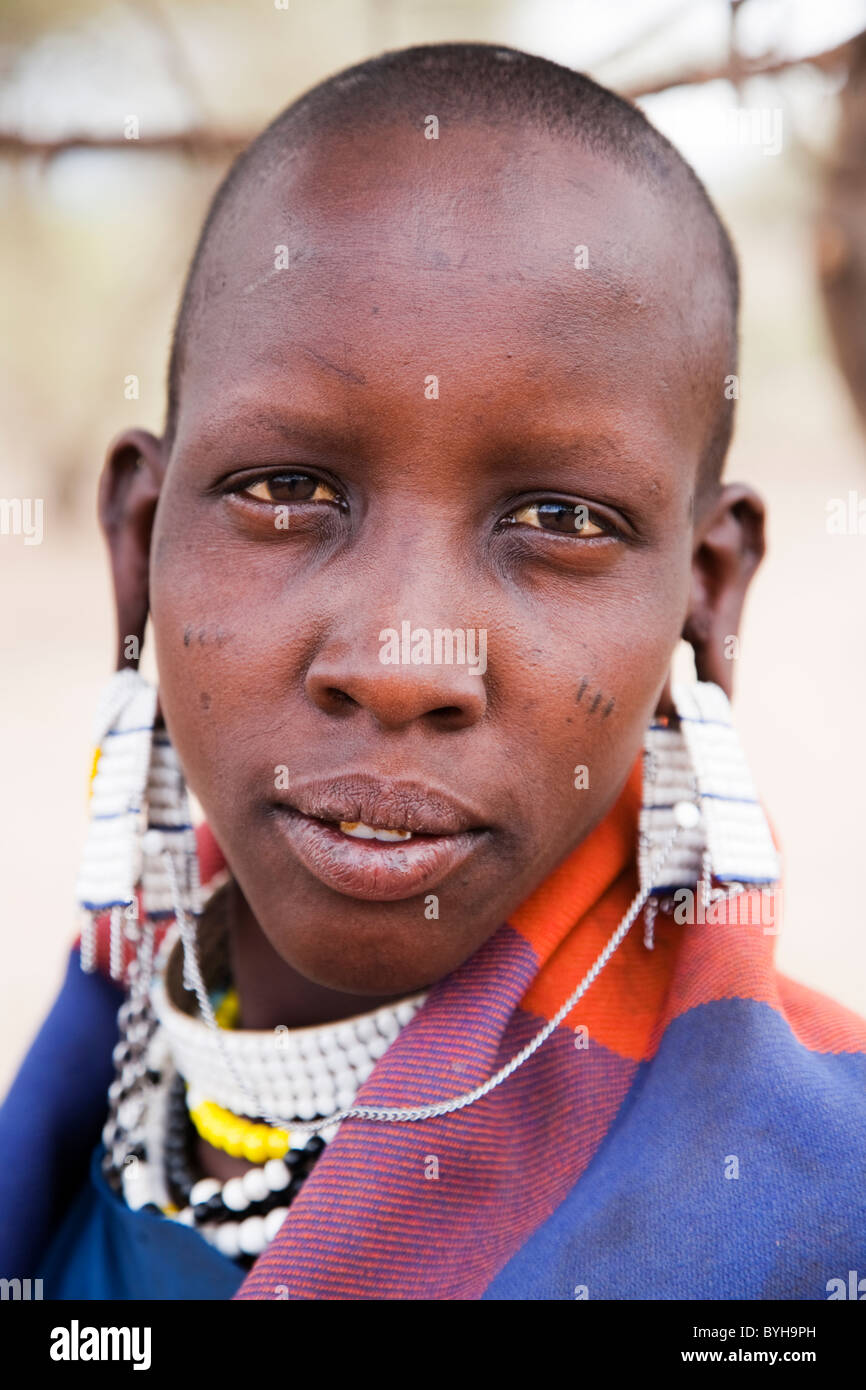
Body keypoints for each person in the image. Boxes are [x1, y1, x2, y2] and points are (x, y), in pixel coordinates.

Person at [2, 41, 864, 1301]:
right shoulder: (72, 1134)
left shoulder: (818, 1222)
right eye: (285, 489)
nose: (402, 664)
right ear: (138, 549)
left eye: (561, 520)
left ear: (705, 594)